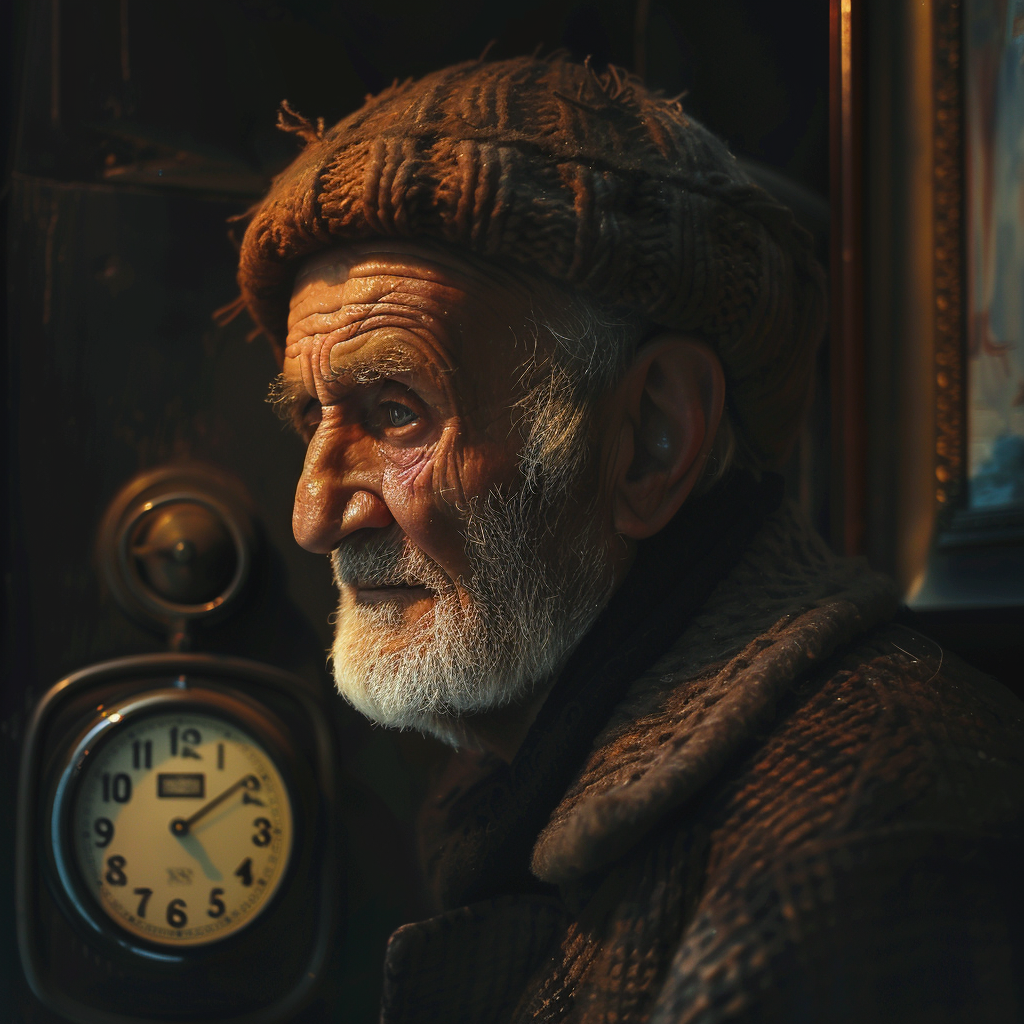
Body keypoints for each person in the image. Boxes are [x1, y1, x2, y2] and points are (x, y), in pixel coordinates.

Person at [235, 55, 1024, 1023]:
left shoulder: (853, 852)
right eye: (310, 418)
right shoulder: (528, 765)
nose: (315, 514)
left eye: (397, 413)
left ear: (652, 437)